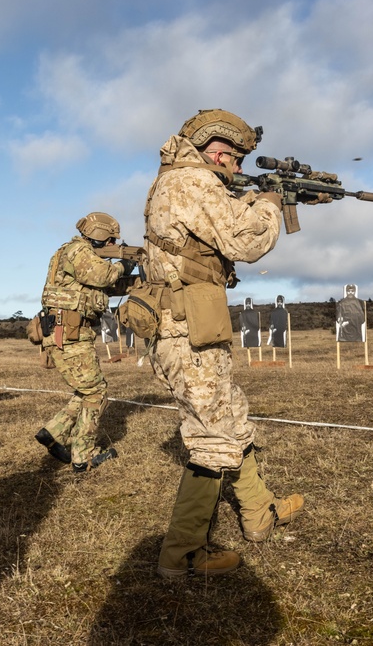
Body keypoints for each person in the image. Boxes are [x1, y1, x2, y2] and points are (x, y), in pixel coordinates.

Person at [143, 109, 304, 578]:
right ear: (218, 152)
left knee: (231, 415)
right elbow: (244, 240)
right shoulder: (193, 181)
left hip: (192, 326)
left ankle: (257, 512)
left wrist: (253, 196)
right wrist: (270, 205)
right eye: (234, 164)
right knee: (212, 437)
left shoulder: (179, 181)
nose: (235, 172)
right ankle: (183, 553)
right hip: (186, 330)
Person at [34, 212, 133, 472]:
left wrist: (134, 280)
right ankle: (83, 456)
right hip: (70, 333)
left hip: (69, 332)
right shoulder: (79, 251)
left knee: (87, 390)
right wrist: (125, 264)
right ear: (101, 235)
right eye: (110, 239)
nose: (112, 243)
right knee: (96, 392)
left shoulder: (72, 252)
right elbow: (103, 276)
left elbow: (100, 287)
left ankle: (53, 433)